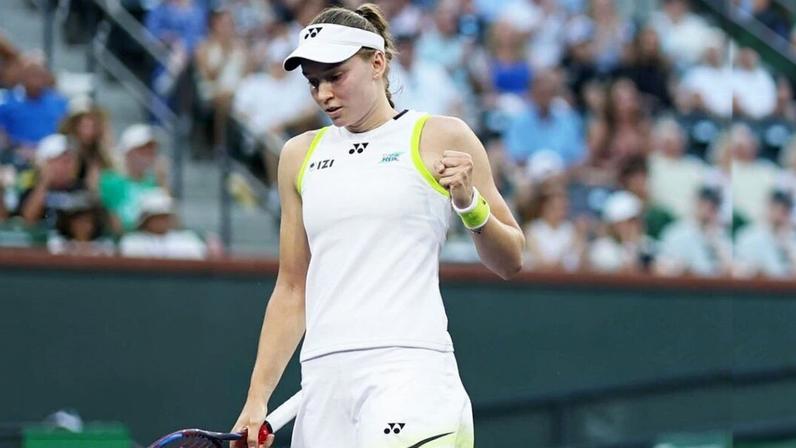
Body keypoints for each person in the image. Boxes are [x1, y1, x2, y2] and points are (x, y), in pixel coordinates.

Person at [230, 4, 525, 448]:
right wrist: (256, 401)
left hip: (411, 375)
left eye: (335, 76)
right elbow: (292, 288)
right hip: (323, 384)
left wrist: (469, 204)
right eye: (314, 82)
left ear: (377, 63)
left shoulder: (443, 136)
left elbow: (511, 260)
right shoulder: (297, 155)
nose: (324, 93)